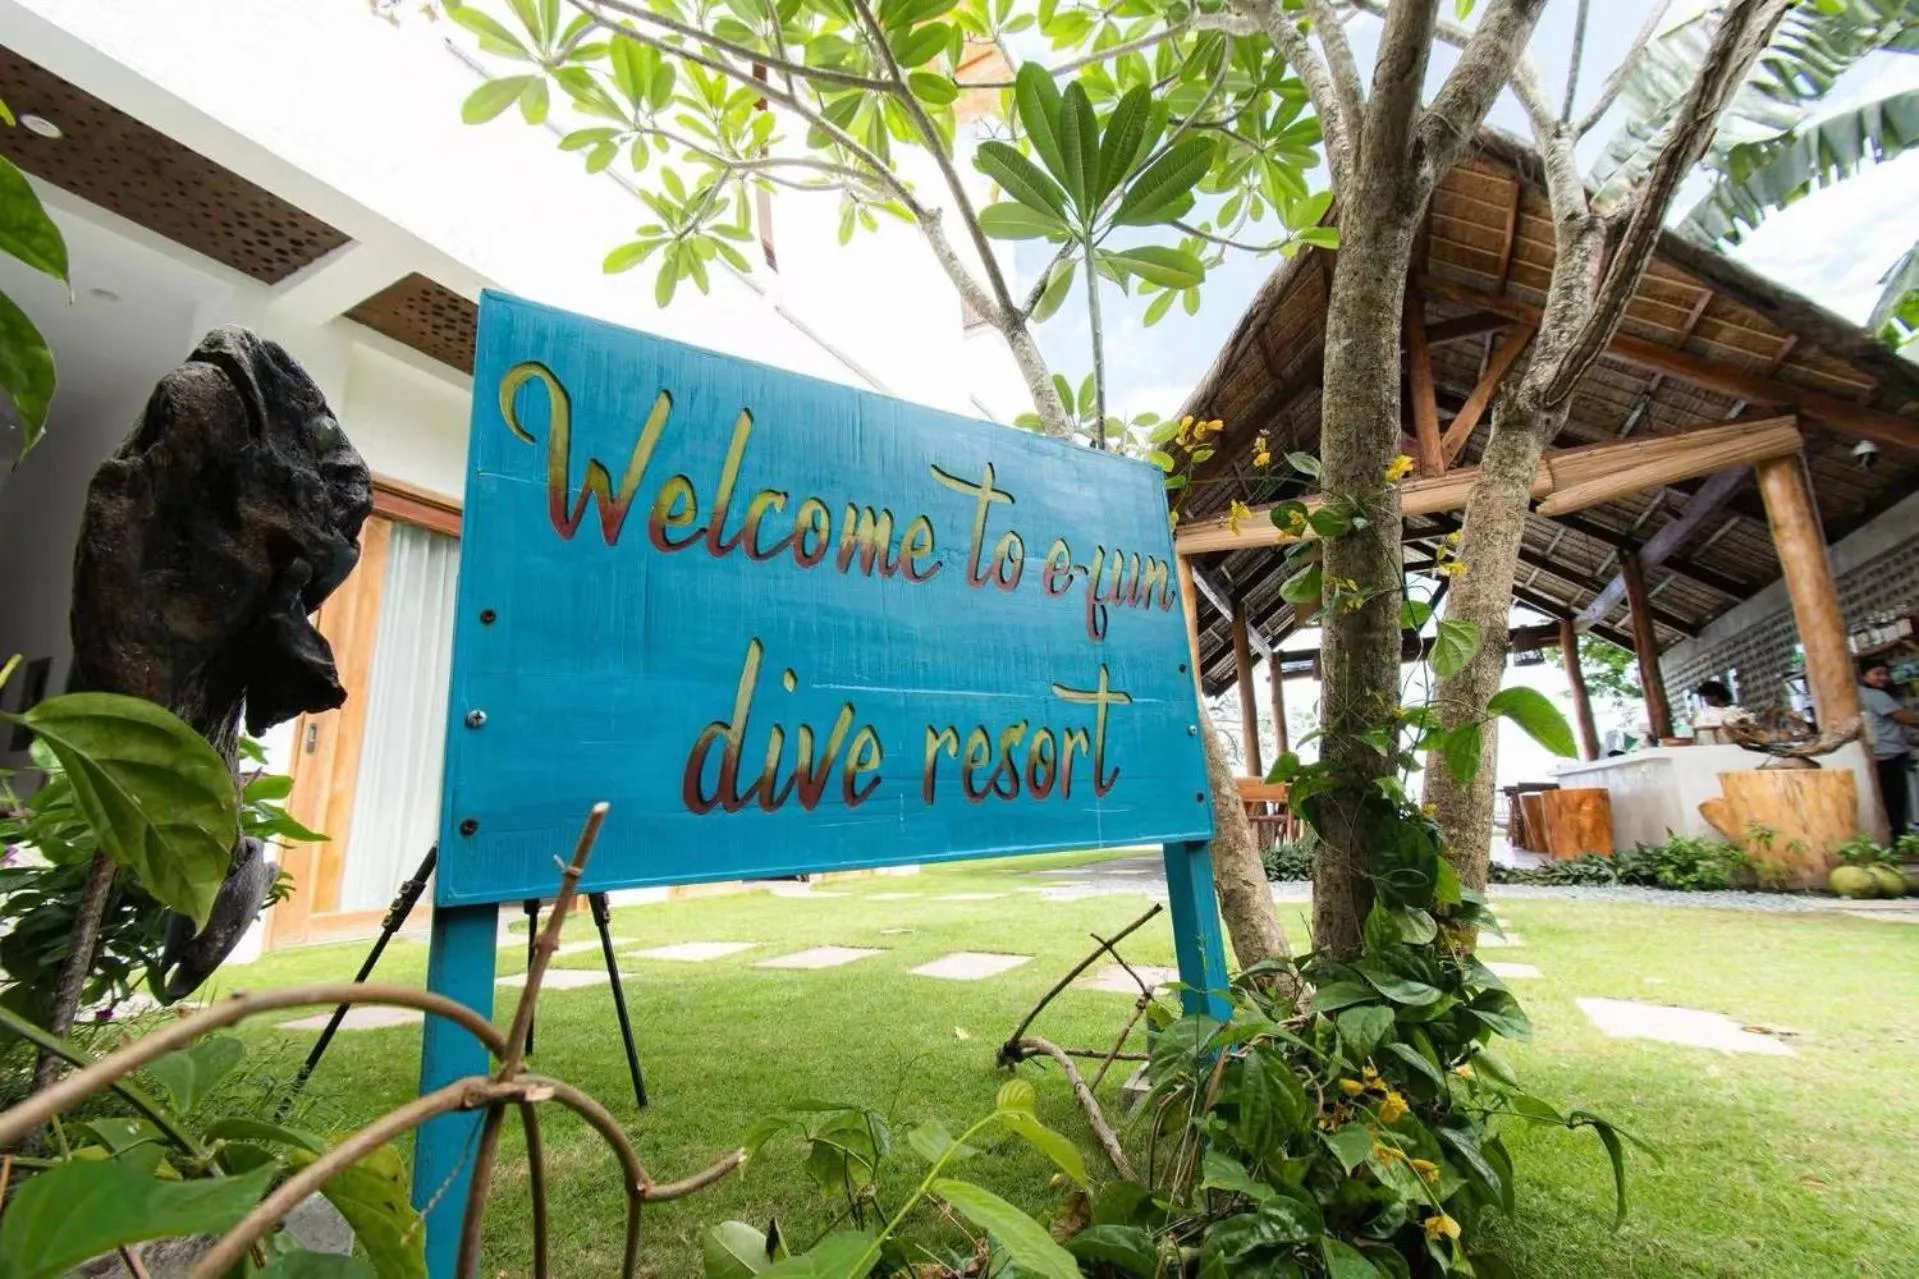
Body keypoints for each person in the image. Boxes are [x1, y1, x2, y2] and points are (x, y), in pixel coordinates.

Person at [1859, 659, 1919, 837]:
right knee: (1896, 803)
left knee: (1887, 803)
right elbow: (1903, 717)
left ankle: (1895, 839)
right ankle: (1900, 841)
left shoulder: (1859, 693)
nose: (1883, 678)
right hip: (1889, 756)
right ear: (1864, 675)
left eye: (1886, 674)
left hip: (1877, 755)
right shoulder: (1876, 696)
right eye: (1877, 673)